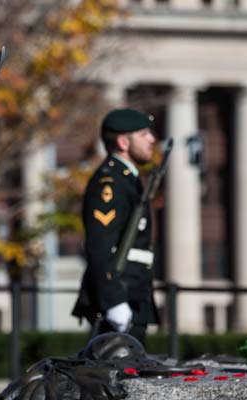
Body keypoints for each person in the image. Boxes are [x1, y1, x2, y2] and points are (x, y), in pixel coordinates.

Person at [72, 108, 159, 345]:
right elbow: (100, 244)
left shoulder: (127, 179)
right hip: (120, 294)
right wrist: (113, 302)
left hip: (133, 290)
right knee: (114, 375)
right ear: (123, 142)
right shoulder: (109, 182)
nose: (152, 139)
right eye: (144, 134)